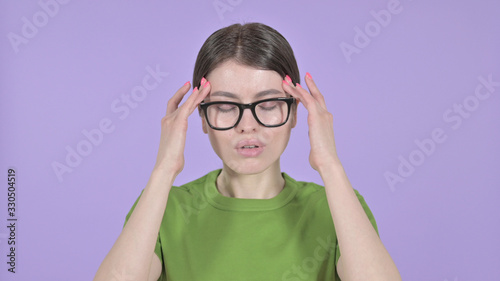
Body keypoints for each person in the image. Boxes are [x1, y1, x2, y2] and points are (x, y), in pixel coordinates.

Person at [94, 22, 401, 281]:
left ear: (295, 112)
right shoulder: (163, 209)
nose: (248, 126)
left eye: (268, 105)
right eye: (226, 107)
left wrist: (330, 165)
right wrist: (164, 169)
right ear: (201, 117)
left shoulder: (338, 206)